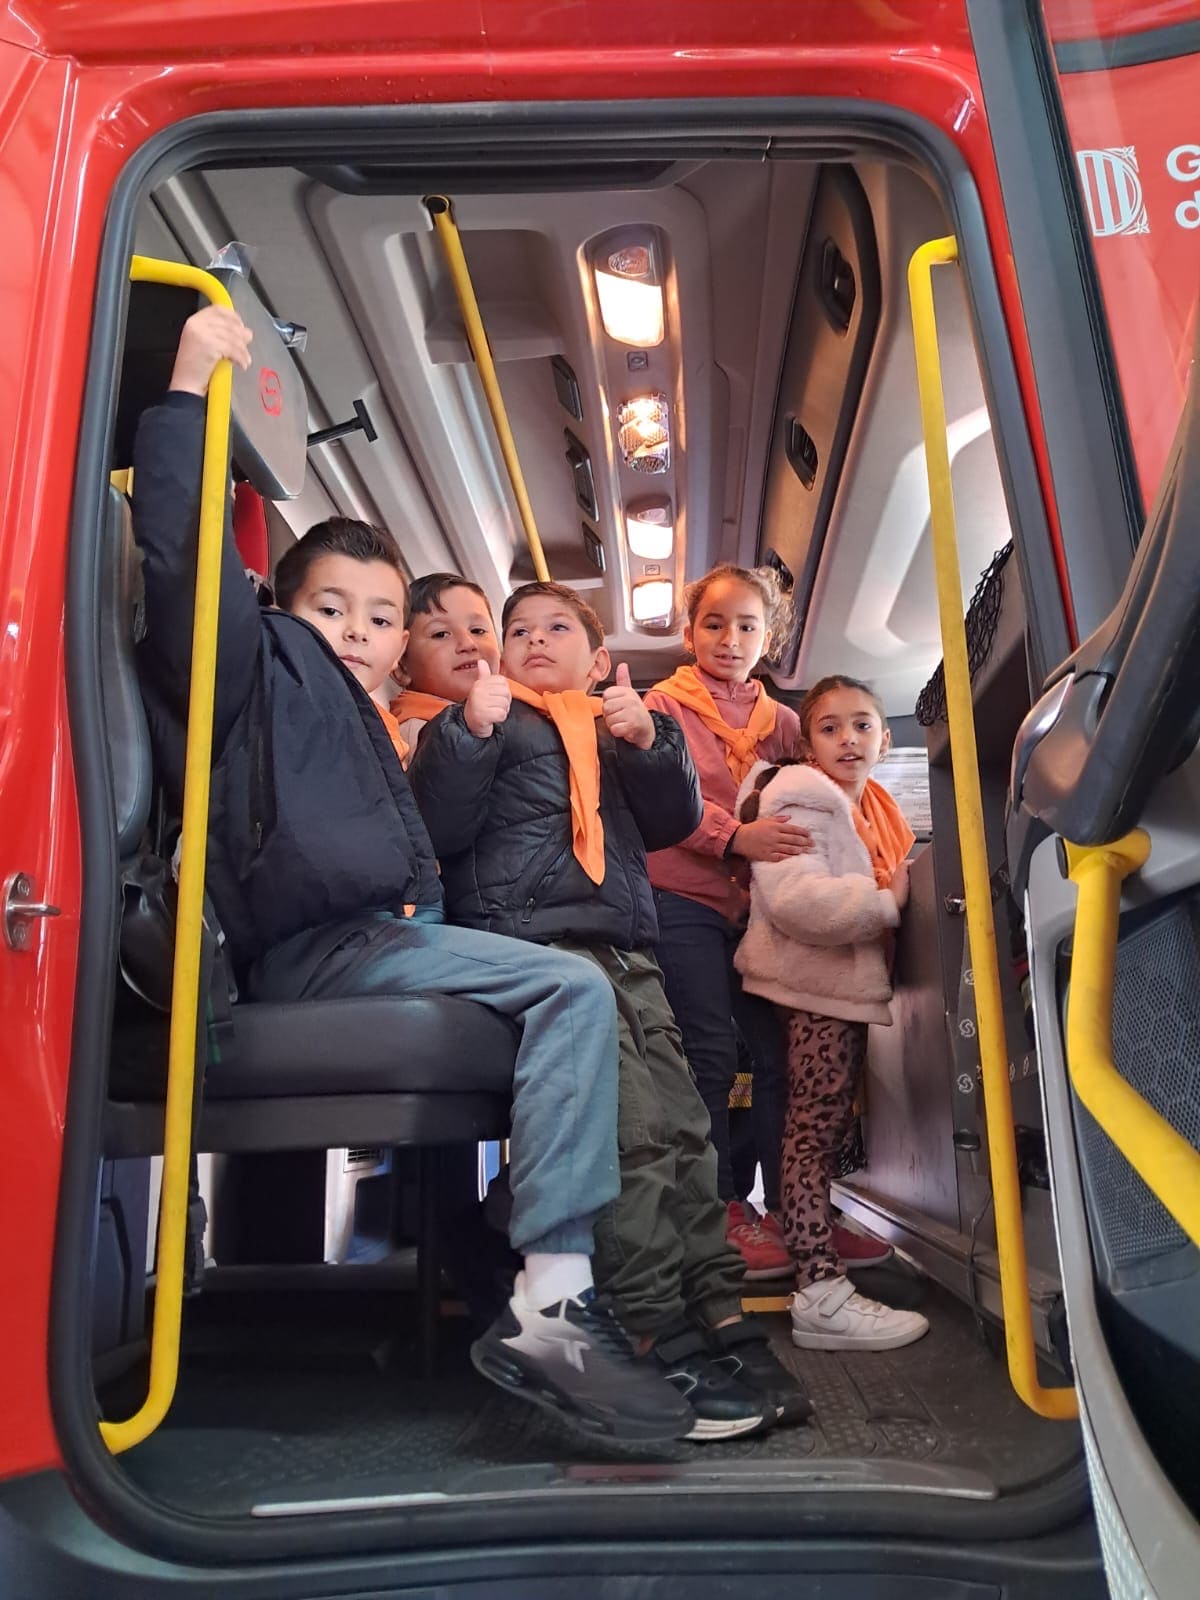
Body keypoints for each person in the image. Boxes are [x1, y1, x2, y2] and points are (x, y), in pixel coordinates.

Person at [131, 305, 694, 1444]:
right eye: (328, 608)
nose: (354, 630)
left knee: (572, 996)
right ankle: (550, 1301)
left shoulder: (380, 722)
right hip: (315, 947)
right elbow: (187, 566)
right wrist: (190, 393)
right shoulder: (260, 674)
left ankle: (537, 1276)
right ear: (280, 610)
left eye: (380, 617)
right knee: (569, 988)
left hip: (379, 935)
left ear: (402, 647)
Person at [409, 581, 813, 1439]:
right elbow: (436, 827)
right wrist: (466, 732)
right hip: (540, 948)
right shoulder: (486, 721)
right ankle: (650, 1325)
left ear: (599, 660)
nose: (535, 639)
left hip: (629, 948)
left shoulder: (615, 727)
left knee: (686, 1130)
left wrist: (652, 742)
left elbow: (671, 822)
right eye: (519, 629)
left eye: (558, 627)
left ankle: (718, 1310)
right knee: (631, 1136)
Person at [733, 676, 930, 1352]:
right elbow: (798, 901)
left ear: (886, 738)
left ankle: (820, 1279)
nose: (849, 739)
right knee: (811, 1133)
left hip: (827, 985)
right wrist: (885, 903)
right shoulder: (801, 794)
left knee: (816, 1129)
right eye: (830, 728)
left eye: (863, 725)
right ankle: (820, 1293)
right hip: (809, 985)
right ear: (807, 745)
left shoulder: (871, 807)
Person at [643, 565, 801, 1279]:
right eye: (714, 623)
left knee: (779, 1055)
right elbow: (660, 802)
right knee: (707, 1052)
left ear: (769, 639)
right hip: (684, 898)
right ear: (689, 634)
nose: (729, 638)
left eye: (746, 626)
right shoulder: (661, 707)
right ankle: (719, 1210)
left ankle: (796, 1208)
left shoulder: (787, 725)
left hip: (763, 907)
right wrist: (735, 836)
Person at [391, 572, 501, 754]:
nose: (468, 644)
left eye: (477, 630)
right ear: (402, 667)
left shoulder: (518, 711)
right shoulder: (417, 735)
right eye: (441, 634)